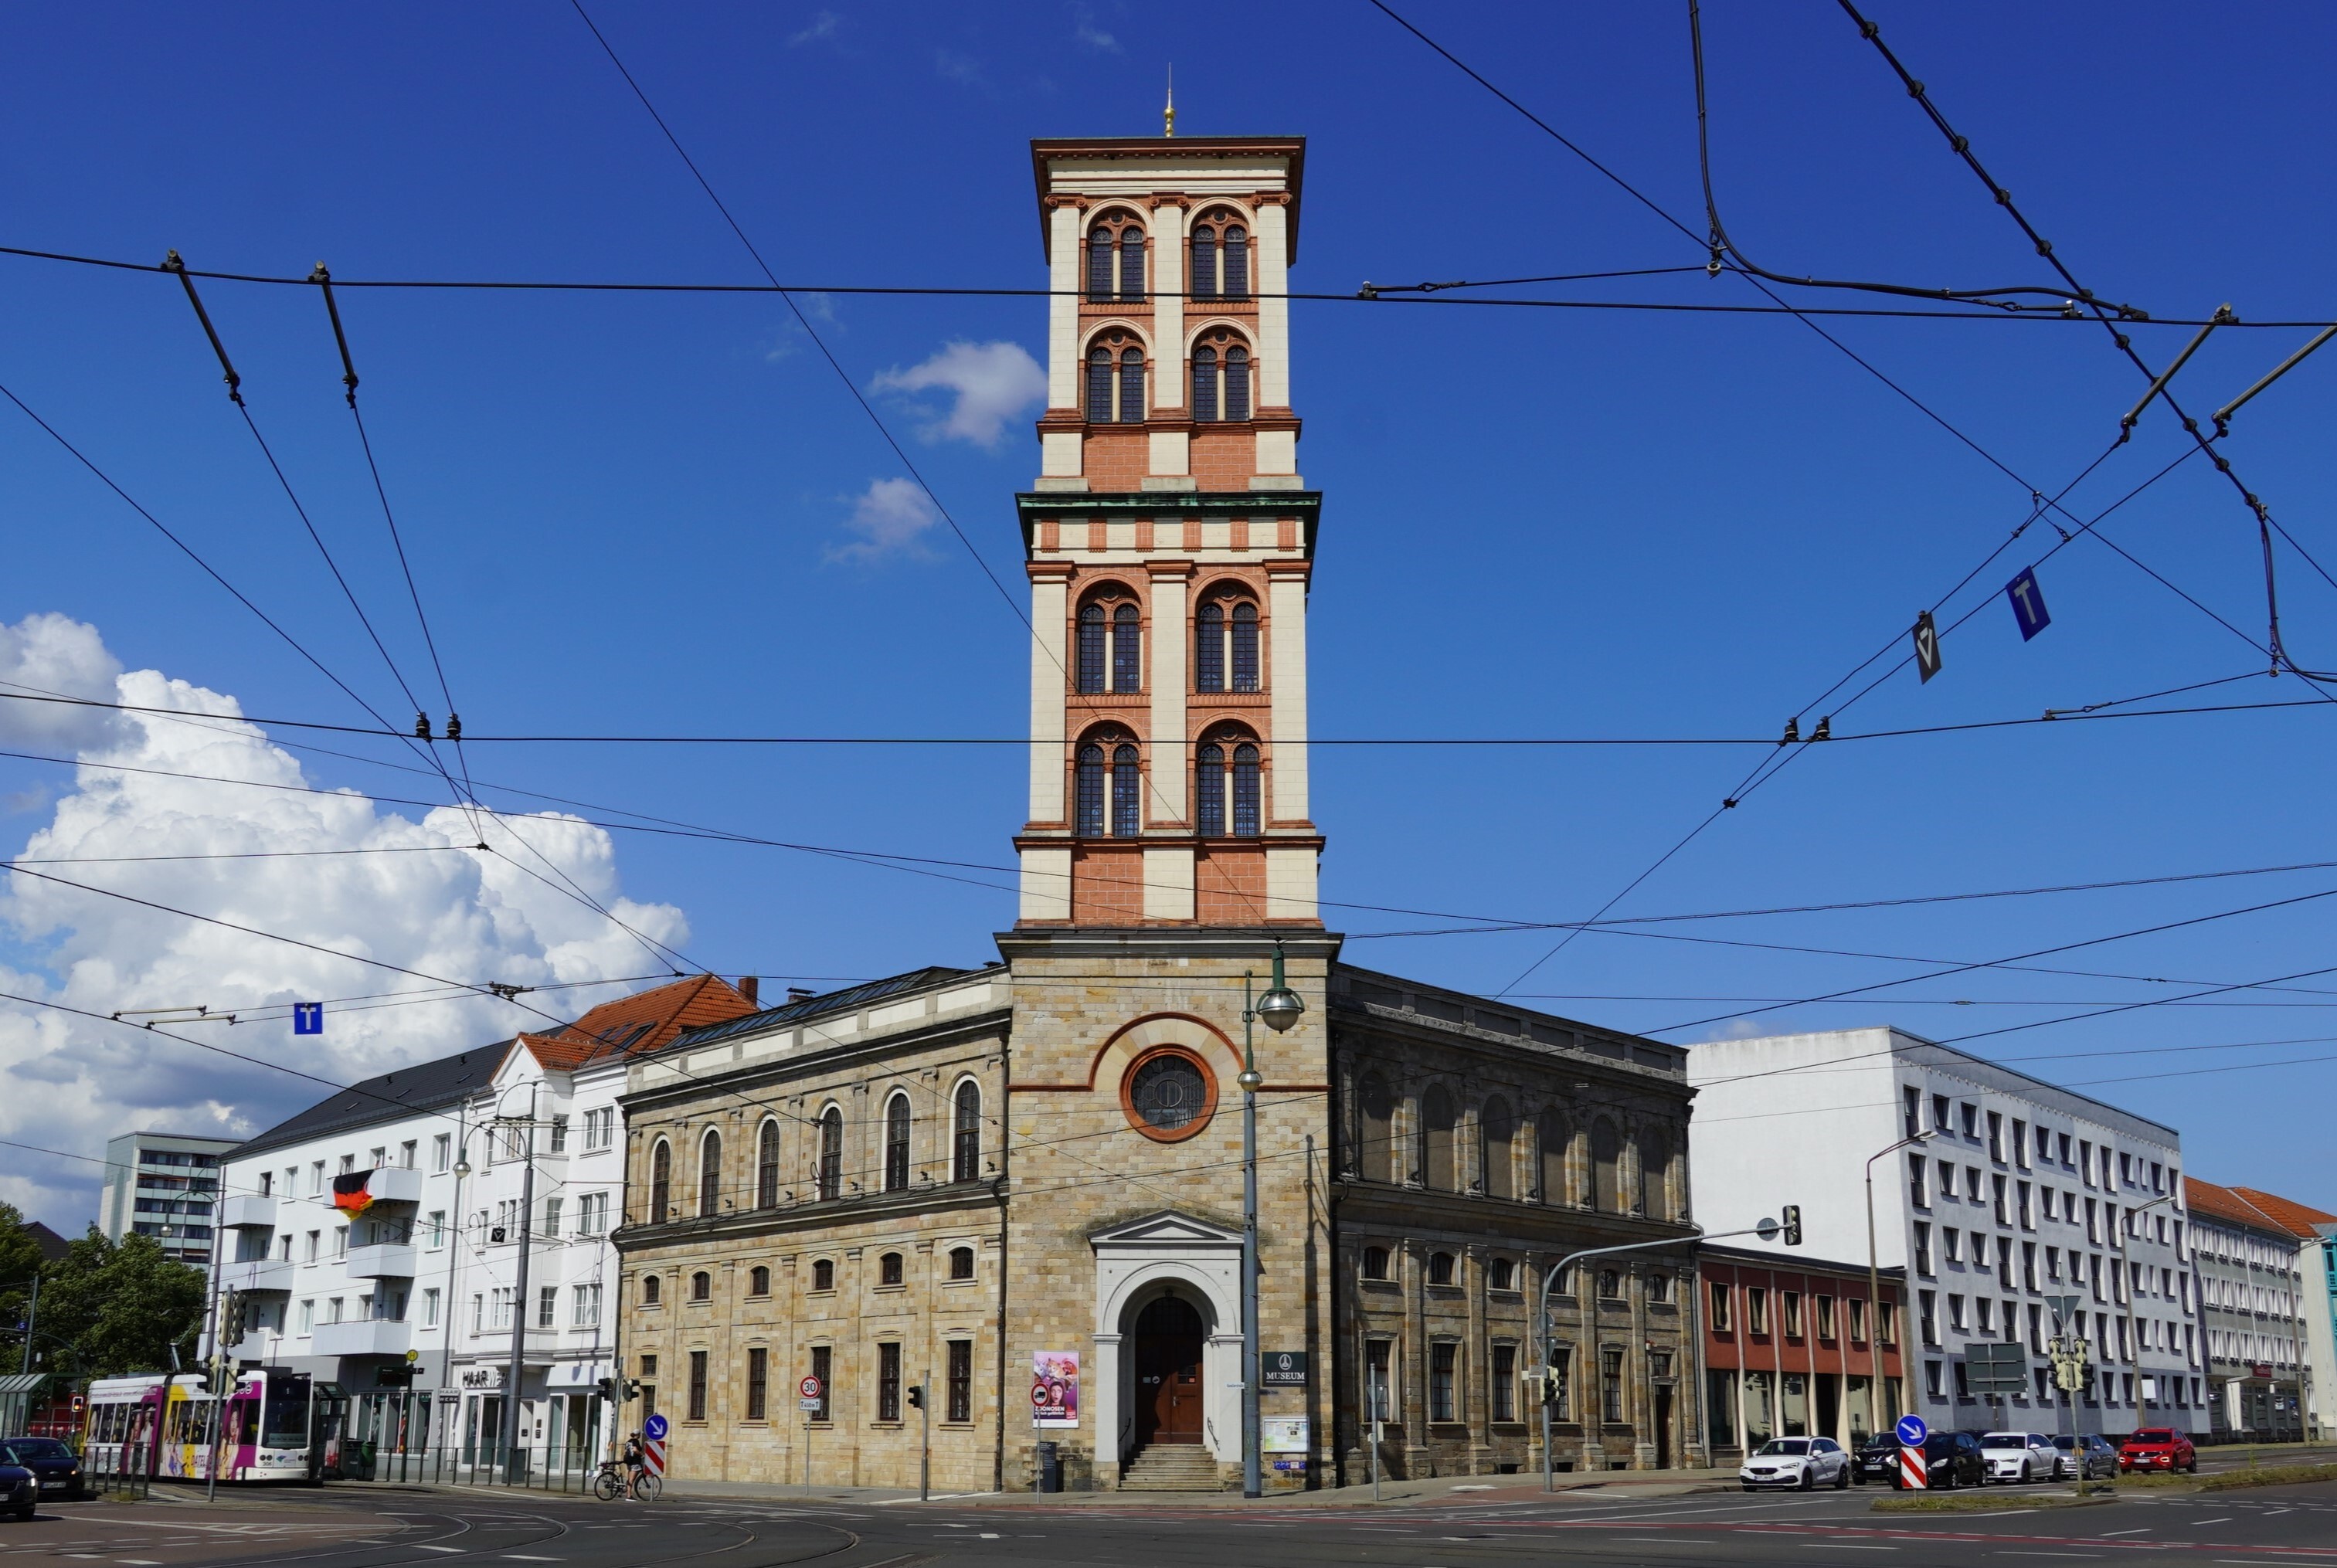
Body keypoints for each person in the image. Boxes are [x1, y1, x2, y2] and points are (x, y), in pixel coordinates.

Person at [620, 1431, 646, 1499]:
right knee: (632, 1479)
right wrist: (642, 1455)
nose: (640, 1435)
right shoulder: (635, 1441)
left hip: (629, 1461)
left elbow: (625, 1451)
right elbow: (635, 1450)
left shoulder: (628, 1441)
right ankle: (629, 1496)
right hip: (635, 1462)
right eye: (639, 1434)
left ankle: (627, 1492)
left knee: (629, 1479)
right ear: (638, 1435)